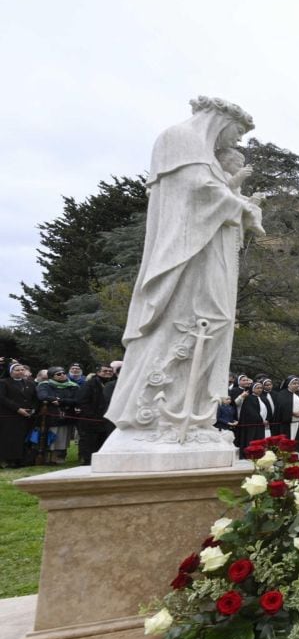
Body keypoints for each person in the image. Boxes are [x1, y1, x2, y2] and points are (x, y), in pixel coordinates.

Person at [103, 97, 264, 452]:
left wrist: (237, 203)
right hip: (187, 252)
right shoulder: (180, 138)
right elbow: (197, 192)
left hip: (207, 248)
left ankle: (191, 414)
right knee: (196, 320)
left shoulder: (202, 150)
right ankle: (154, 411)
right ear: (221, 119)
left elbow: (211, 191)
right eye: (237, 132)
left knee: (214, 321)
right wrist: (242, 208)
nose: (236, 142)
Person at [37, 367, 79, 464]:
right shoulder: (45, 385)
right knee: (49, 438)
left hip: (66, 415)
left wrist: (60, 401)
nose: (62, 375)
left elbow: (76, 400)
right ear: (52, 376)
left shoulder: (73, 386)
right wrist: (53, 399)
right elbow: (42, 396)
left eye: (63, 373)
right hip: (50, 416)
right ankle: (46, 458)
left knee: (62, 438)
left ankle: (58, 458)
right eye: (58, 374)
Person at [76, 363, 117, 465]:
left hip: (106, 418)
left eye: (110, 371)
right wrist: (91, 415)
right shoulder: (90, 384)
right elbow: (83, 400)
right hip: (91, 418)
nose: (107, 373)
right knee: (89, 441)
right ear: (98, 372)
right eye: (105, 371)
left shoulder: (114, 384)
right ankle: (87, 460)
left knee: (103, 439)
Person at [0, 363, 37, 468]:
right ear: (11, 372)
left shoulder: (30, 383)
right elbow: (2, 398)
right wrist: (18, 409)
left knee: (23, 439)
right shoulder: (4, 383)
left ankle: (21, 460)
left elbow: (35, 398)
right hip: (10, 416)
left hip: (26, 416)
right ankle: (8, 460)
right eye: (17, 370)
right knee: (9, 439)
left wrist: (32, 409)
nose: (20, 372)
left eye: (22, 370)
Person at [234, 382, 270, 456]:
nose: (260, 390)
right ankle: (250, 455)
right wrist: (261, 420)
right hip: (252, 425)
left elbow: (268, 409)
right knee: (252, 440)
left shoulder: (263, 398)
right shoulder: (249, 398)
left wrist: (267, 419)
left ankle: (259, 454)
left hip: (261, 424)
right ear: (253, 389)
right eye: (258, 388)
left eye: (261, 388)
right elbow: (251, 412)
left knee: (260, 441)